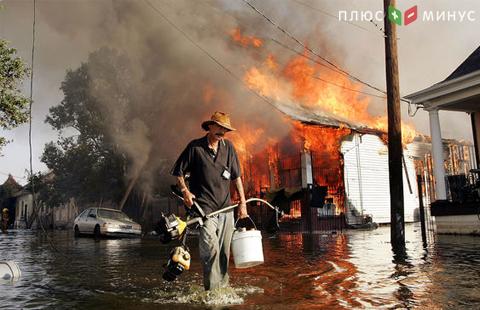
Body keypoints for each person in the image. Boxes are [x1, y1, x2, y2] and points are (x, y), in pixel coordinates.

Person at [171, 111, 248, 290]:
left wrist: (242, 203)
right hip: (205, 213)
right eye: (220, 128)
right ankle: (212, 294)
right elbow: (178, 172)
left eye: (225, 129)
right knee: (210, 251)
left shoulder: (229, 148)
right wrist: (185, 192)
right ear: (210, 126)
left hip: (226, 211)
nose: (222, 132)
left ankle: (223, 289)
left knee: (223, 254)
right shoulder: (195, 148)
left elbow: (236, 178)